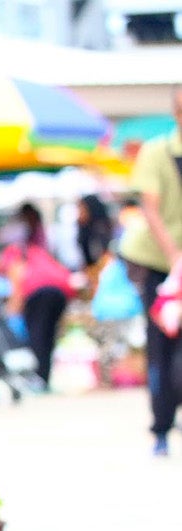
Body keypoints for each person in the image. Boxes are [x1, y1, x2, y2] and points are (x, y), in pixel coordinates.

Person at [118, 87, 182, 455]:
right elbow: (151, 209)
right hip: (158, 262)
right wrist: (174, 256)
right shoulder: (157, 152)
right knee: (161, 344)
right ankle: (160, 428)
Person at [0, 203, 75, 388]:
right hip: (61, 291)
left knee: (37, 336)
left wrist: (10, 312)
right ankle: (43, 378)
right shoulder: (37, 249)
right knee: (47, 336)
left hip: (40, 291)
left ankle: (38, 379)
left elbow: (17, 281)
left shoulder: (13, 252)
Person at [77, 194, 114, 274]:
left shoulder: (100, 230)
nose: (79, 212)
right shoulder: (85, 228)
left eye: (81, 208)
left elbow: (101, 258)